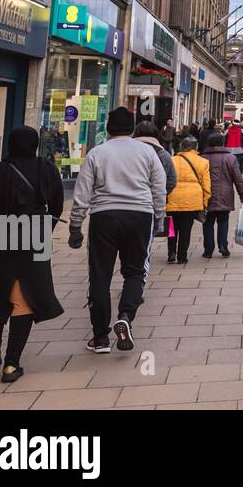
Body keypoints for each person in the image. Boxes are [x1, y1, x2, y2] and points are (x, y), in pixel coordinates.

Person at [0, 126, 65, 382]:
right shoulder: (47, 169)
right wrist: (43, 230)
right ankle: (11, 363)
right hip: (33, 239)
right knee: (24, 299)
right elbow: (57, 207)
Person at [69, 106, 167, 354]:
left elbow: (82, 192)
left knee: (100, 276)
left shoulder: (97, 153)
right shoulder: (147, 152)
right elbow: (159, 186)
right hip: (139, 215)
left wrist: (76, 225)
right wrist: (159, 217)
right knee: (135, 272)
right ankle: (126, 314)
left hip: (104, 216)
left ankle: (100, 337)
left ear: (108, 128)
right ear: (132, 128)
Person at [200, 130, 243, 259]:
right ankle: (223, 245)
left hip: (207, 195)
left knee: (208, 222)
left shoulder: (202, 158)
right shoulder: (230, 158)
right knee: (223, 221)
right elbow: (238, 178)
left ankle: (208, 250)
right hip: (225, 195)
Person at [167, 137, 211, 264]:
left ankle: (171, 252)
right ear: (195, 147)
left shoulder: (172, 160)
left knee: (171, 227)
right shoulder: (203, 162)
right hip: (192, 199)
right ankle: (182, 256)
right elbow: (206, 185)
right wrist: (205, 201)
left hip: (172, 197)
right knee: (186, 229)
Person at [134, 120, 177, 201]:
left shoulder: (128, 152)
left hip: (130, 201)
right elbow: (172, 181)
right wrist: (161, 193)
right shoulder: (164, 155)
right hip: (155, 201)